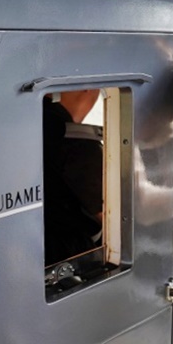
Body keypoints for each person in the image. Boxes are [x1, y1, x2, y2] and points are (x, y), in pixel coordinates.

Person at [43, 89, 104, 266]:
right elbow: (115, 218)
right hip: (69, 263)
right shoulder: (78, 143)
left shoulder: (20, 127)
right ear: (88, 89)